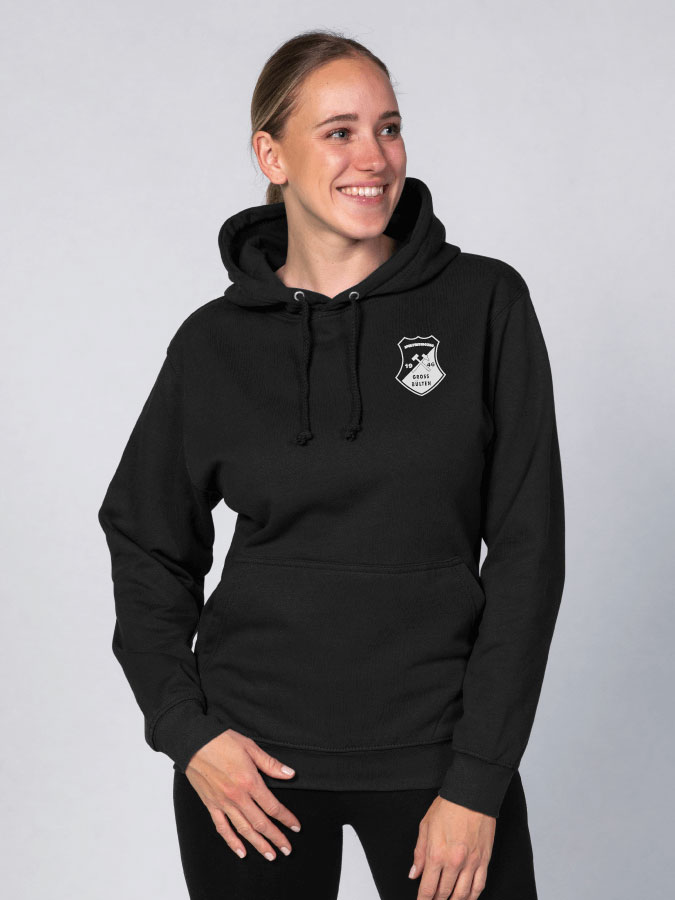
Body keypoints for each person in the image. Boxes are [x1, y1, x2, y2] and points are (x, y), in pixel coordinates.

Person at [98, 29, 565, 900]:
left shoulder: (483, 304)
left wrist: (478, 778)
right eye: (339, 131)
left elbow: (527, 553)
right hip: (251, 770)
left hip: (439, 758)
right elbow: (145, 540)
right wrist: (188, 731)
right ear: (271, 155)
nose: (373, 157)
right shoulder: (213, 344)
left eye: (388, 128)